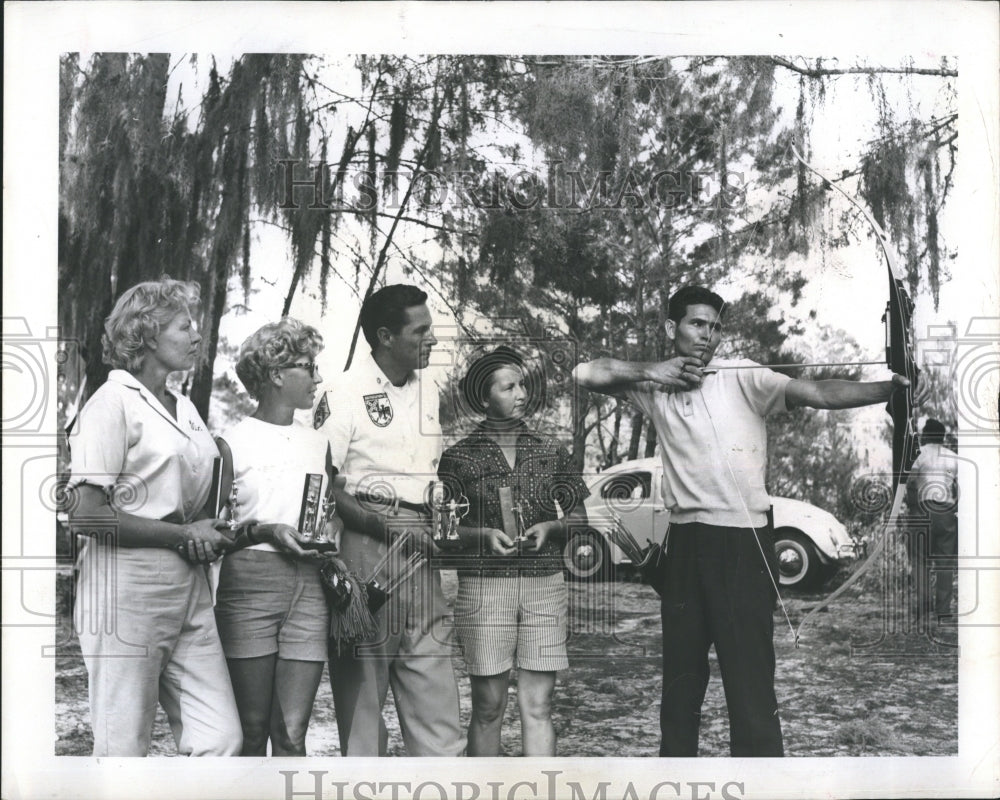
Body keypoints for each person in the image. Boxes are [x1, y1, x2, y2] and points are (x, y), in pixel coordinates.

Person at [572, 285, 913, 757]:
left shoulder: (741, 376)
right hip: (685, 547)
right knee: (681, 689)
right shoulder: (655, 384)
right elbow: (585, 372)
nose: (708, 336)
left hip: (744, 545)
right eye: (696, 323)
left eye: (714, 326)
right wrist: (654, 371)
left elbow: (816, 392)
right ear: (672, 329)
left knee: (751, 691)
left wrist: (887, 390)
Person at [66, 277, 242, 757]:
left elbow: (200, 491)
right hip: (126, 589)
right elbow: (86, 515)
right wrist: (183, 533)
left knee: (221, 738)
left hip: (189, 585)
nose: (196, 336)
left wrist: (208, 527)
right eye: (184, 326)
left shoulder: (183, 407)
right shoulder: (111, 403)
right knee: (123, 746)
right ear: (146, 335)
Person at [314, 283, 463, 757]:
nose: (433, 340)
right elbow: (324, 485)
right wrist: (385, 528)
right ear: (384, 336)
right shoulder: (342, 391)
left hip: (423, 552)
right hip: (366, 548)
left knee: (436, 696)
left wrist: (443, 530)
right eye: (421, 331)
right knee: (363, 706)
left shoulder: (428, 391)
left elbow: (431, 476)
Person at [437, 346, 589, 756]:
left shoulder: (550, 450)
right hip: (485, 588)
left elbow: (580, 520)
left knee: (539, 705)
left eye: (522, 384)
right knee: (488, 707)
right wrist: (483, 536)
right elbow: (444, 532)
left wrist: (552, 527)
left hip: (545, 584)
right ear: (484, 398)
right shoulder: (457, 457)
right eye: (509, 387)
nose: (521, 393)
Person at [213, 318, 343, 756]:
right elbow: (213, 534)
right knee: (250, 731)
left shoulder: (318, 443)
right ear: (275, 374)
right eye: (308, 367)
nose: (317, 377)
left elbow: (327, 514)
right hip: (249, 585)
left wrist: (328, 542)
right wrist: (266, 531)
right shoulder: (231, 443)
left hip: (308, 586)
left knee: (292, 734)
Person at [905, 419, 958, 622]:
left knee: (919, 560)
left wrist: (913, 508)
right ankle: (943, 610)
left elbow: (910, 484)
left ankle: (924, 604)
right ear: (943, 437)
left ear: (925, 435)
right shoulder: (954, 458)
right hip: (946, 512)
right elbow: (960, 487)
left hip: (921, 510)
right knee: (945, 562)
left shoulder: (918, 456)